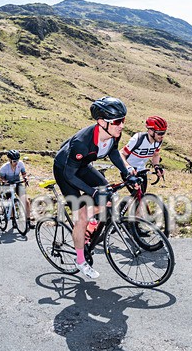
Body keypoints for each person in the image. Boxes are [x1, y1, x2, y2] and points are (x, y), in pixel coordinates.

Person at [53, 96, 139, 279]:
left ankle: (90, 228)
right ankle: (80, 260)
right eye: (117, 121)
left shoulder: (113, 133)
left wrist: (127, 173)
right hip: (65, 171)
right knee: (81, 217)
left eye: (123, 120)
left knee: (107, 194)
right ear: (101, 122)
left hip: (82, 167)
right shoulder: (82, 143)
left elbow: (114, 153)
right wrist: (91, 192)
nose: (122, 125)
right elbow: (70, 175)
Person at [121, 115, 167, 194]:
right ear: (150, 131)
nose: (162, 136)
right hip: (128, 171)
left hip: (141, 170)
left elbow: (155, 155)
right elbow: (121, 154)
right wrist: (128, 167)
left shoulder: (158, 141)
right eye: (159, 133)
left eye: (164, 133)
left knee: (141, 196)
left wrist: (156, 167)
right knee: (137, 195)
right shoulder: (138, 139)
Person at [0, 149, 31, 227]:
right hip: (8, 184)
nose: (16, 163)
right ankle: (13, 219)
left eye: (17, 160)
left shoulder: (21, 164)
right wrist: (5, 181)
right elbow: (1, 178)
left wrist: (25, 178)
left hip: (17, 183)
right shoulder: (4, 167)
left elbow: (23, 173)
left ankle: (28, 221)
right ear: (9, 160)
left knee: (26, 201)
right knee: (11, 202)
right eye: (14, 161)